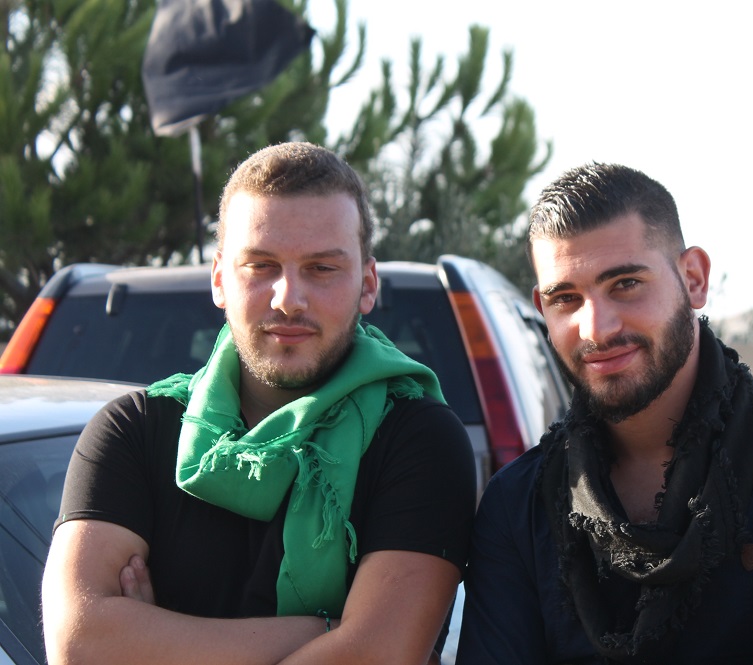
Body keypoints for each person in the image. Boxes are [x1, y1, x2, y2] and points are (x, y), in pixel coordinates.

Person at [41, 142, 476, 665]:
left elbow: (376, 656)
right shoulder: (133, 431)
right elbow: (79, 642)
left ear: (367, 285)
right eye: (261, 266)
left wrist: (152, 643)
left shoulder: (419, 439)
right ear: (220, 280)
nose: (288, 298)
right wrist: (329, 632)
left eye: (322, 268)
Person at [456, 162, 753, 664]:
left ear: (694, 279)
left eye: (625, 284)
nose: (596, 328)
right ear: (542, 309)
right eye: (566, 299)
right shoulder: (517, 504)